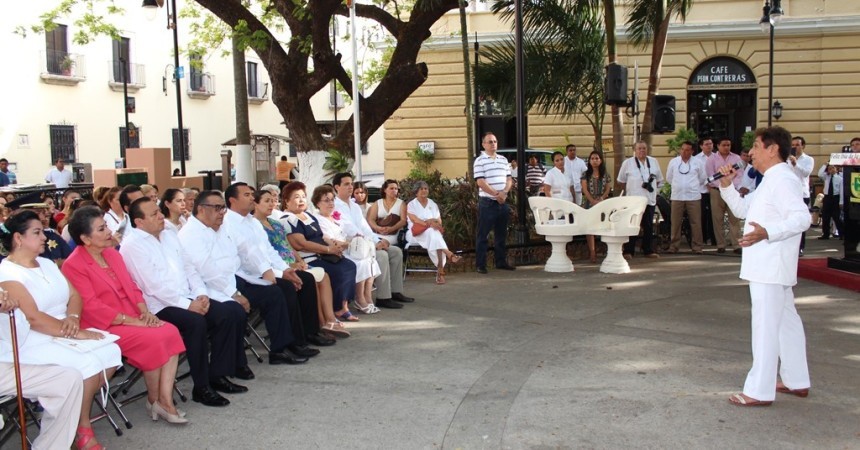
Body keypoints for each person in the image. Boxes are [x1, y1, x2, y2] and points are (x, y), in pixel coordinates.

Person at [0, 210, 123, 449]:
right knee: (85, 367)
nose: (45, 236)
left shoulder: (47, 263)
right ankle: (81, 426)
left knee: (110, 352)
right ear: (18, 238)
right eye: (37, 232)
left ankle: (72, 418)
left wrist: (74, 317)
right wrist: (75, 332)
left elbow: (74, 294)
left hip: (64, 326)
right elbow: (33, 319)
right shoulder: (8, 273)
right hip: (33, 338)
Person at [60, 206, 188, 424]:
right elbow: (91, 306)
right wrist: (135, 322)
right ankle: (155, 399)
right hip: (103, 324)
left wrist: (144, 312)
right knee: (155, 338)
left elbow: (132, 286)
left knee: (169, 331)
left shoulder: (111, 253)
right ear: (85, 238)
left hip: (132, 316)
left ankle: (163, 400)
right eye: (101, 229)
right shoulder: (74, 265)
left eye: (106, 226)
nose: (109, 231)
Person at [716, 126, 811, 407]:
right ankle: (797, 380)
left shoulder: (782, 179)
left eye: (756, 146)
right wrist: (726, 185)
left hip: (770, 264)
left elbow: (802, 218)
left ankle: (759, 390)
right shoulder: (771, 179)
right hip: (771, 265)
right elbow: (744, 209)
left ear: (772, 149)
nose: (751, 152)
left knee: (765, 326)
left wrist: (768, 232)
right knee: (786, 323)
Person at [121, 197, 244, 408]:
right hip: (159, 306)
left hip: (186, 296)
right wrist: (189, 305)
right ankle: (201, 387)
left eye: (159, 212)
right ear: (139, 222)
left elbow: (189, 267)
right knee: (196, 323)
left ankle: (218, 375)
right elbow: (153, 287)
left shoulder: (169, 235)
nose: (161, 216)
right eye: (154, 215)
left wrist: (200, 294)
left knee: (228, 314)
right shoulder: (132, 246)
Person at [179, 190, 308, 366]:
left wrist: (273, 271)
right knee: (235, 310)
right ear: (201, 209)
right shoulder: (191, 233)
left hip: (235, 277)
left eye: (222, 208)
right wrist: (234, 293)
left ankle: (281, 348)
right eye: (217, 208)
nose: (221, 213)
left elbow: (248, 249)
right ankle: (233, 365)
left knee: (275, 292)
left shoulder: (220, 226)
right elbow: (207, 271)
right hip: (211, 287)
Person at [224, 182, 330, 353]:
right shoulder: (228, 224)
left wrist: (286, 270)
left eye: (252, 194)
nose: (252, 197)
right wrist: (280, 273)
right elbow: (248, 258)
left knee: (306, 279)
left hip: (265, 271)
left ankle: (308, 333)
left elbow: (269, 251)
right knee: (284, 288)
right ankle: (284, 346)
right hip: (245, 277)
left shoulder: (252, 222)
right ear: (232, 200)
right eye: (246, 195)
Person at [253, 189, 349, 339]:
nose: (272, 204)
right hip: (279, 266)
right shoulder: (255, 225)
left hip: (292, 261)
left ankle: (330, 320)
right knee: (311, 279)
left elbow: (287, 245)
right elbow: (266, 253)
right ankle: (320, 324)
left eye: (273, 200)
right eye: (267, 201)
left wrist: (299, 260)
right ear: (256, 204)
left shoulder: (275, 223)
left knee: (324, 276)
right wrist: (290, 266)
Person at [282, 182, 359, 329]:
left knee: (349, 265)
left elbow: (322, 236)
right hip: (309, 257)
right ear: (287, 201)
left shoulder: (308, 216)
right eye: (297, 197)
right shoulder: (288, 219)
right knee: (336, 271)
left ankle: (342, 306)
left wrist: (334, 244)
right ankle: (331, 312)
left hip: (323, 254)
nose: (301, 200)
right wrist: (329, 250)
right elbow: (300, 244)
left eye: (303, 196)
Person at [332, 173, 415, 308]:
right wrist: (372, 244)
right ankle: (383, 297)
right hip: (350, 245)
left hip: (365, 242)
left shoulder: (354, 206)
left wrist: (378, 241)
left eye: (351, 184)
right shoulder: (335, 205)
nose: (350, 187)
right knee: (381, 255)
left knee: (395, 251)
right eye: (346, 184)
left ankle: (396, 291)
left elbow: (365, 228)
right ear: (337, 187)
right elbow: (350, 229)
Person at [316, 185, 381, 316]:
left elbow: (349, 230)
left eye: (332, 200)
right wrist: (350, 244)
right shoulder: (318, 219)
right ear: (317, 203)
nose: (330, 203)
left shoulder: (335, 217)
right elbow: (329, 240)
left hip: (347, 247)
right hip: (335, 252)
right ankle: (359, 298)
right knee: (361, 262)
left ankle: (367, 296)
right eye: (326, 200)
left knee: (370, 260)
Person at [474, 132, 516, 273]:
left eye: (495, 141)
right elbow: (480, 182)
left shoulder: (504, 160)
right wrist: (496, 194)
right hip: (487, 203)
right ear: (483, 144)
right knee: (483, 235)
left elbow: (509, 179)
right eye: (490, 142)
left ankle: (500, 262)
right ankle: (481, 264)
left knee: (501, 235)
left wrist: (504, 193)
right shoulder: (479, 161)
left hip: (502, 202)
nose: (493, 144)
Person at [406, 181, 462, 284]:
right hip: (416, 233)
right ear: (416, 191)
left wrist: (432, 222)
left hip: (431, 233)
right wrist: (429, 222)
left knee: (433, 234)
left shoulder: (432, 203)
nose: (424, 190)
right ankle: (448, 256)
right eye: (421, 189)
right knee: (434, 234)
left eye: (426, 188)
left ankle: (441, 270)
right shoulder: (411, 204)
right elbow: (415, 220)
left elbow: (439, 221)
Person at [617, 141, 664, 259]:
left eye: (644, 148)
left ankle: (648, 250)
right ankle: (628, 251)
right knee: (633, 225)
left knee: (648, 226)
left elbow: (659, 180)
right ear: (635, 150)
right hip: (633, 201)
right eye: (639, 148)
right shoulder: (627, 163)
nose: (642, 150)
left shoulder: (653, 162)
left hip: (649, 200)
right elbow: (621, 181)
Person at [665, 141, 706, 254]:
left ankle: (697, 246)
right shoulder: (673, 162)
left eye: (687, 149)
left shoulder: (698, 162)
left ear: (692, 151)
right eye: (682, 149)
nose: (684, 152)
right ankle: (674, 246)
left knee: (696, 222)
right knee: (676, 222)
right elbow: (669, 178)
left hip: (693, 197)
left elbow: (702, 178)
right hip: (677, 196)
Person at [705, 137, 743, 254]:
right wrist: (722, 185)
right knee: (718, 218)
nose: (726, 147)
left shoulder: (736, 158)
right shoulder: (711, 159)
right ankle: (721, 244)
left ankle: (736, 245)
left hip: (733, 191)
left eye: (728, 145)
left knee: (734, 218)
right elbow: (710, 175)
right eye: (724, 145)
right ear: (718, 146)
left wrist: (730, 185)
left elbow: (739, 175)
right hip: (717, 191)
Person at [580, 150, 612, 263]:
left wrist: (602, 198)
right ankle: (592, 252)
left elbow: (608, 188)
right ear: (589, 161)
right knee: (590, 228)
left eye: (597, 158)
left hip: (603, 202)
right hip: (590, 202)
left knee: (605, 226)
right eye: (592, 158)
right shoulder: (585, 174)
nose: (594, 160)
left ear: (601, 160)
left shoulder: (605, 174)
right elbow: (584, 189)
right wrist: (592, 200)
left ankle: (609, 251)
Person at [789, 136, 814, 256]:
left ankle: (800, 247)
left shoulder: (808, 159)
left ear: (803, 146)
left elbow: (806, 173)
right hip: (789, 193)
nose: (795, 147)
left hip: (802, 193)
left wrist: (795, 164)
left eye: (797, 145)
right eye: (793, 145)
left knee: (800, 221)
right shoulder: (786, 159)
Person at [367, 179, 407, 246]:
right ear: (385, 190)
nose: (394, 190)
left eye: (396, 189)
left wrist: (392, 229)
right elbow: (371, 219)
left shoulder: (401, 203)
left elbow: (403, 221)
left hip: (394, 233)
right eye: (391, 188)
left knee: (382, 243)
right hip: (379, 232)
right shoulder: (377, 203)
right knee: (371, 241)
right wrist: (378, 228)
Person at [695, 137, 716, 246]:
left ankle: (714, 239)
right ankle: (703, 238)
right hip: (702, 191)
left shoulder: (717, 157)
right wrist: (706, 183)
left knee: (714, 216)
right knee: (702, 215)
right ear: (701, 146)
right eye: (706, 144)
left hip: (714, 190)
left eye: (710, 143)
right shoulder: (697, 159)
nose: (709, 146)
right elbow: (697, 176)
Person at [817, 163, 843, 240]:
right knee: (825, 216)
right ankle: (825, 234)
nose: (831, 170)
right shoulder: (826, 177)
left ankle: (842, 234)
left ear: (836, 169)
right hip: (827, 198)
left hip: (835, 198)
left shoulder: (840, 178)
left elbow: (841, 191)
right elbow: (819, 174)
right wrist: (825, 165)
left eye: (833, 168)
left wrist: (841, 202)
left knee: (836, 217)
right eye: (829, 168)